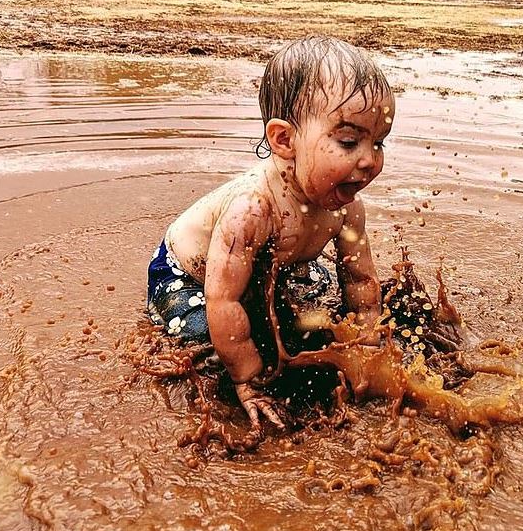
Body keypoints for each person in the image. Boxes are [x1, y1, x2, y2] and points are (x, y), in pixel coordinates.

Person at [147, 35, 394, 429]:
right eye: (349, 141)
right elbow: (223, 300)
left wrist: (367, 345)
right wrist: (247, 379)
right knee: (210, 347)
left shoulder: (347, 208)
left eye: (378, 142)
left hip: (275, 265)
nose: (369, 160)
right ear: (283, 140)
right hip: (187, 276)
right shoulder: (254, 209)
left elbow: (361, 280)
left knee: (316, 311)